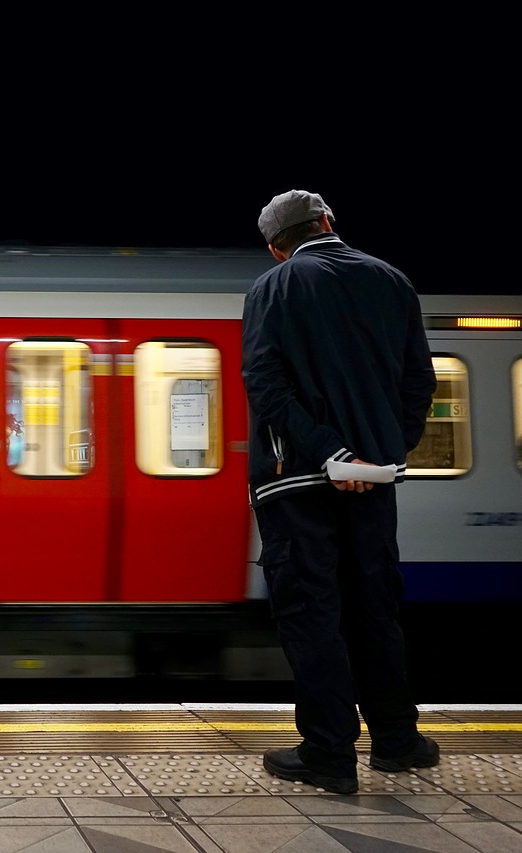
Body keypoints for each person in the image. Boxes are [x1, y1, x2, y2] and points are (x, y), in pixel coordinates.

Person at [242, 189, 440, 794]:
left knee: (313, 613)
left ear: (278, 248)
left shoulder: (272, 288)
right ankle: (397, 741)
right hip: (376, 482)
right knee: (374, 608)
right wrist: (382, 454)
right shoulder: (392, 281)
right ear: (328, 222)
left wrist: (330, 453)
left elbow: (266, 384)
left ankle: (329, 753)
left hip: (298, 483)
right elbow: (419, 383)